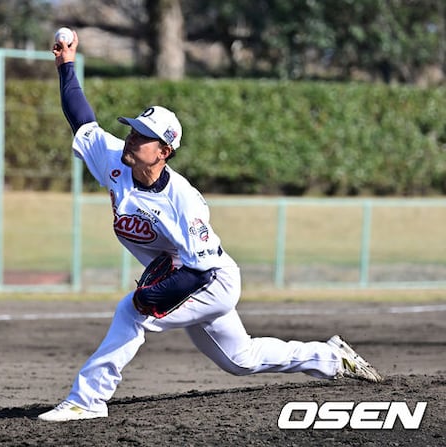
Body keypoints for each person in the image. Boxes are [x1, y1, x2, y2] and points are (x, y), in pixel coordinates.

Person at [38, 30, 383, 422]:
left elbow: (199, 272)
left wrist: (149, 299)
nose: (132, 138)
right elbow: (82, 120)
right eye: (133, 130)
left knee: (132, 313)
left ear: (164, 151)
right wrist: (66, 64)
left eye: (143, 137)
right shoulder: (115, 160)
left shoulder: (183, 201)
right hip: (186, 275)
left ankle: (87, 400)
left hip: (212, 280)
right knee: (241, 359)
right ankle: (330, 357)